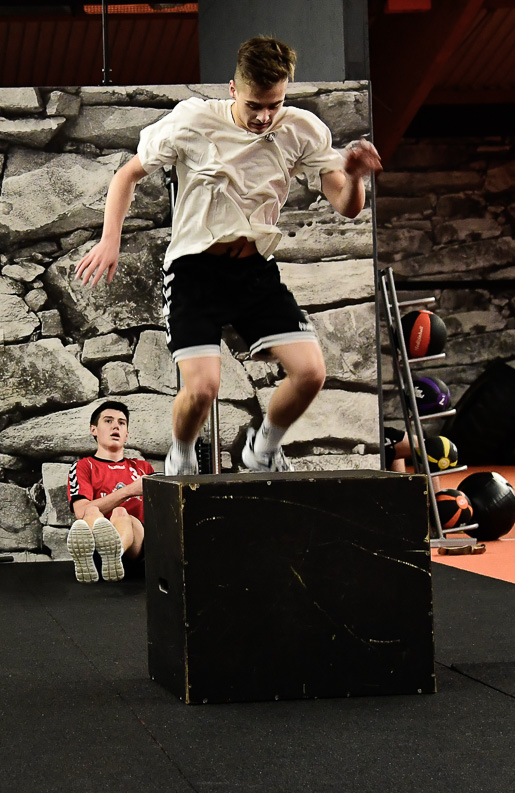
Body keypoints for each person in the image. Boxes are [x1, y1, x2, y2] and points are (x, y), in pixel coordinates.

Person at [76, 36, 383, 475]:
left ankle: (260, 447)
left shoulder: (301, 130)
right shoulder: (193, 121)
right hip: (194, 269)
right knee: (203, 389)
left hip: (254, 270)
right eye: (255, 104)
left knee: (311, 372)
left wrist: (354, 176)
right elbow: (127, 174)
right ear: (233, 90)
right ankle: (181, 451)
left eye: (273, 105)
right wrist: (110, 240)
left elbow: (348, 205)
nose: (263, 117)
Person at [66, 401, 152, 583]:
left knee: (121, 513)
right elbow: (81, 512)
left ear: (126, 434)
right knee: (90, 511)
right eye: (108, 421)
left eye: (121, 423)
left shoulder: (143, 468)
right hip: (97, 546)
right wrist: (128, 491)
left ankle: (115, 552)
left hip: (137, 548)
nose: (116, 426)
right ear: (93, 430)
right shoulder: (83, 466)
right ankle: (106, 556)